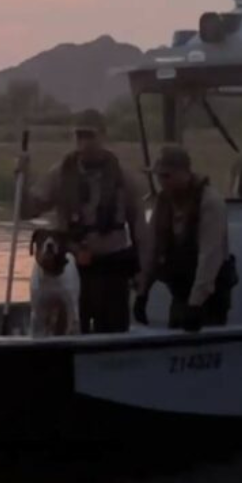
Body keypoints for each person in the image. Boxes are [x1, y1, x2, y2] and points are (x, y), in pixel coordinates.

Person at [17, 108, 147, 333]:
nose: (84, 143)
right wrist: (22, 177)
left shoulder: (124, 177)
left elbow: (140, 230)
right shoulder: (60, 174)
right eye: (79, 136)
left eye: (90, 136)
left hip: (112, 267)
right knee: (68, 326)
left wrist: (143, 273)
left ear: (103, 136)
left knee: (113, 329)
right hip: (70, 266)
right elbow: (27, 211)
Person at [136, 144, 237, 332]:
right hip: (181, 292)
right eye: (159, 176)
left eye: (167, 176)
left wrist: (195, 304)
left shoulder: (210, 202)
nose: (162, 182)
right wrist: (143, 293)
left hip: (210, 296)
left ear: (184, 173)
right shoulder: (163, 201)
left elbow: (210, 257)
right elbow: (152, 248)